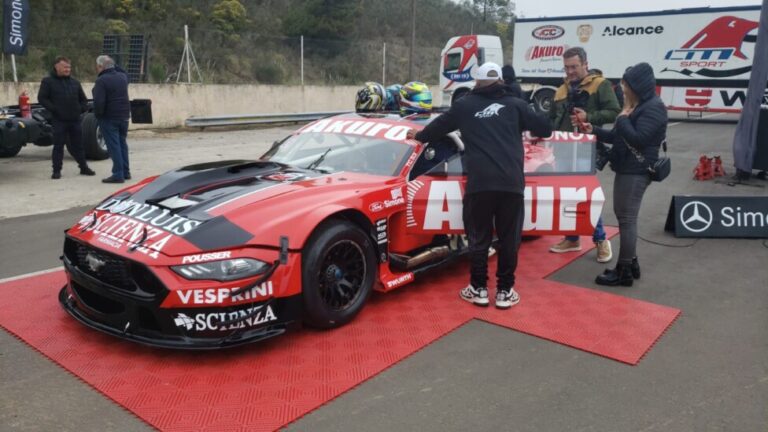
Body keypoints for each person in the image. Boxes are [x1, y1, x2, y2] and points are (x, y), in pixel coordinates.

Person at [406, 63, 552, 309]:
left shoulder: (465, 106)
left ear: (477, 82)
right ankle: (505, 291)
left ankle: (479, 289)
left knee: (479, 238)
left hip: (480, 184)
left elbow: (436, 128)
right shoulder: (516, 105)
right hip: (511, 184)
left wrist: (417, 136)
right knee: (509, 240)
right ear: (500, 82)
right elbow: (545, 130)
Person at [580, 62, 667, 286]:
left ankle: (624, 271)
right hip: (628, 167)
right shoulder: (637, 105)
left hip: (636, 170)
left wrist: (622, 118)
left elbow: (638, 138)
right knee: (625, 217)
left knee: (626, 220)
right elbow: (619, 137)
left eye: (626, 84)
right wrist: (594, 130)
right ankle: (631, 262)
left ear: (637, 85)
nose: (623, 88)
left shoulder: (654, 107)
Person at [548, 47, 620, 263]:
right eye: (566, 67)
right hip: (562, 150)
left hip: (586, 149)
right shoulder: (561, 90)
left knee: (584, 195)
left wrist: (590, 116)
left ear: (585, 64)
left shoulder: (600, 85)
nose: (570, 71)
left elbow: (615, 111)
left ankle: (600, 240)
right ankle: (572, 238)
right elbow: (552, 119)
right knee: (567, 196)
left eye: (574, 66)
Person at [37, 56, 96, 179]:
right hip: (59, 120)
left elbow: (83, 100)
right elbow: (42, 98)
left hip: (75, 120)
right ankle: (56, 170)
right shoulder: (48, 81)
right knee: (58, 146)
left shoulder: (75, 82)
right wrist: (55, 109)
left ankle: (83, 167)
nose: (68, 69)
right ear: (56, 66)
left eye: (69, 67)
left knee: (78, 145)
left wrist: (81, 109)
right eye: (65, 67)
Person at [93, 55, 131, 184]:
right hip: (124, 116)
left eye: (97, 66)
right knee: (122, 144)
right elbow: (124, 72)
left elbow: (99, 102)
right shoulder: (122, 77)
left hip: (109, 117)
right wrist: (112, 63)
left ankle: (118, 174)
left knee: (113, 146)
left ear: (100, 66)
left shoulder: (102, 80)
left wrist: (98, 115)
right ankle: (126, 172)